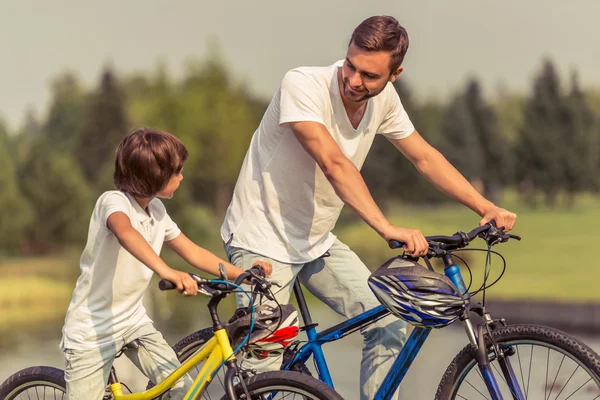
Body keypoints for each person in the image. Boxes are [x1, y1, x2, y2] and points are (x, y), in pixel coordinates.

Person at [221, 15, 517, 400]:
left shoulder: (385, 102)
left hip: (314, 242)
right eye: (351, 66)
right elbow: (334, 163)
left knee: (390, 320)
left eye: (370, 76)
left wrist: (485, 205)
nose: (354, 80)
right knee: (263, 368)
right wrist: (385, 227)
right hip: (260, 241)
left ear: (395, 74)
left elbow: (424, 157)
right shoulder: (303, 84)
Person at [60, 128, 271, 400]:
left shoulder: (157, 211)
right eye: (176, 172)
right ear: (154, 177)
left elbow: (192, 251)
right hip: (92, 332)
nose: (182, 176)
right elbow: (126, 234)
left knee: (182, 390)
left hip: (132, 323)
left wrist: (243, 274)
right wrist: (167, 271)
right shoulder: (112, 202)